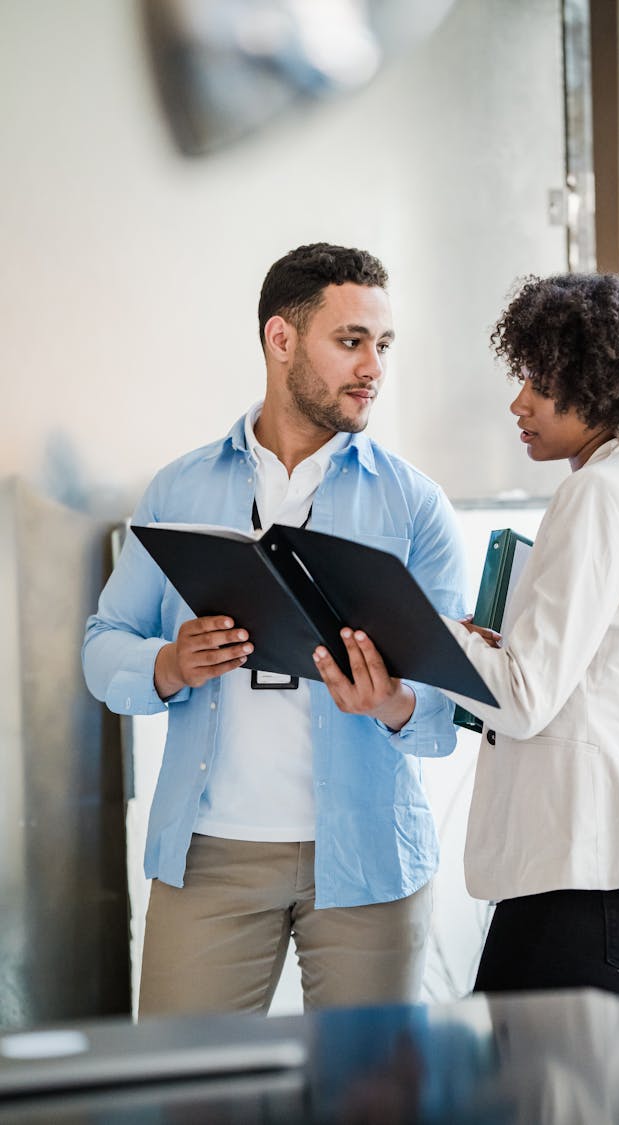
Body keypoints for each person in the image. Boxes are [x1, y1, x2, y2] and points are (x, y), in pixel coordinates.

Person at [82, 242, 469, 1016]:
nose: (373, 367)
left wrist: (391, 701)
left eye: (383, 344)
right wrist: (170, 662)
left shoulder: (417, 506)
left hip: (370, 859)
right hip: (209, 858)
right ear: (280, 339)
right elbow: (102, 647)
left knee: (372, 1102)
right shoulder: (179, 488)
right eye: (351, 341)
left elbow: (447, 708)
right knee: (183, 1096)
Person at [399, 273, 619, 1005]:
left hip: (588, 867)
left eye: (539, 381)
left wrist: (419, 628)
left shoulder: (597, 494)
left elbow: (522, 698)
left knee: (514, 1095)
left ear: (602, 384)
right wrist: (488, 644)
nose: (518, 402)